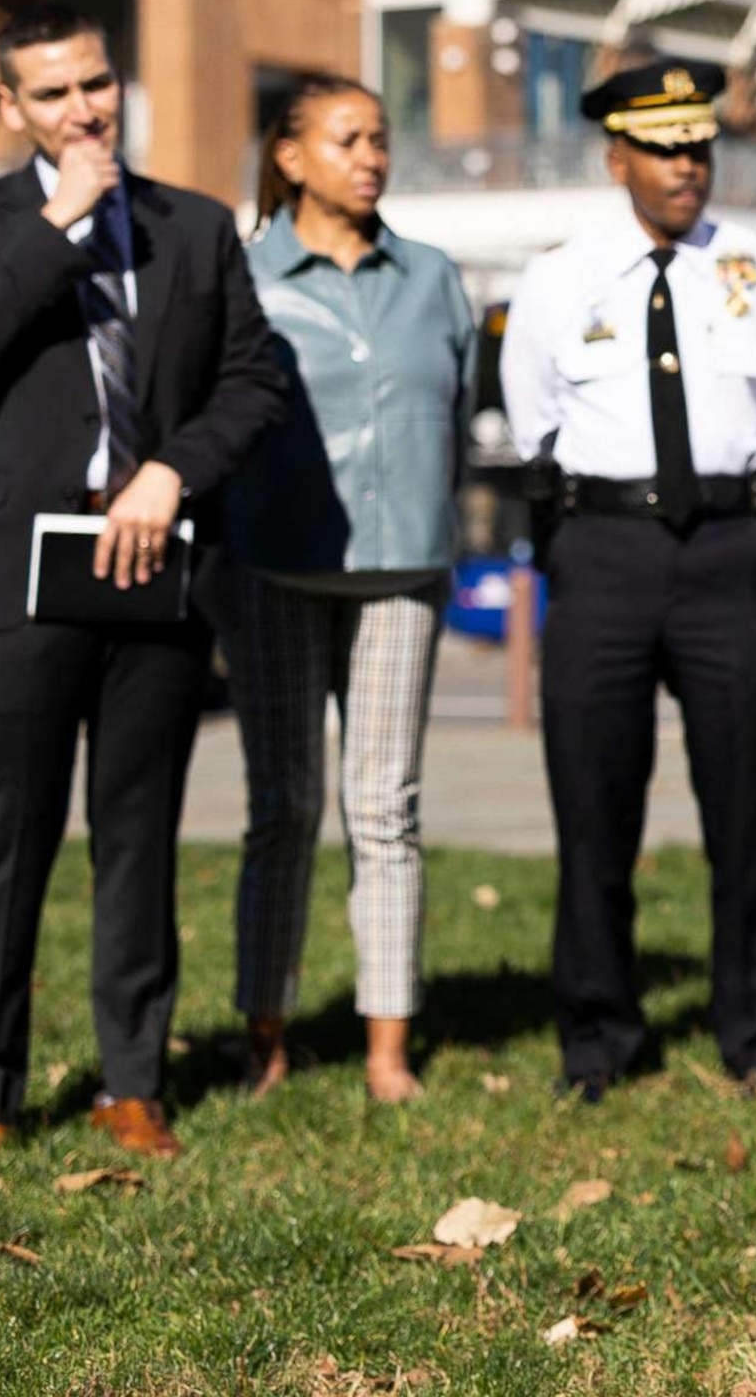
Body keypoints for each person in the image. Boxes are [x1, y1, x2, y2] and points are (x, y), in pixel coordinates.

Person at [0, 4, 288, 1157]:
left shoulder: (195, 224)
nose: (84, 109)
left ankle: (133, 1081)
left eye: (97, 84)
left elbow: (252, 380)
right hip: (7, 575)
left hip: (146, 565)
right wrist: (61, 218)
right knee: (6, 837)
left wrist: (173, 468)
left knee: (138, 833)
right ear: (12, 104)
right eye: (55, 92)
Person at [498, 55, 756, 1102]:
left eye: (699, 145)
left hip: (727, 557)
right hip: (602, 552)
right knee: (594, 811)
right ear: (616, 156)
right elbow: (531, 421)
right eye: (662, 146)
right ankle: (597, 1038)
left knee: (746, 811)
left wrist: (744, 509)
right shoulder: (557, 276)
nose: (686, 164)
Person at [226, 76, 475, 1105]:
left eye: (380, 137)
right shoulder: (241, 276)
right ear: (289, 157)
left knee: (387, 807)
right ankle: (267, 1031)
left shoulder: (432, 276)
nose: (372, 155)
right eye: (347, 138)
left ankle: (387, 1050)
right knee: (284, 805)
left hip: (403, 570)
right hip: (275, 567)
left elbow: (460, 411)